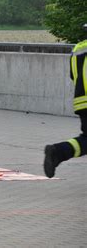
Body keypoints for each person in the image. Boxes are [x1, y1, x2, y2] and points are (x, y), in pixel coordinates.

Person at [44, 39, 87, 178]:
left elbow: (73, 75)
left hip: (81, 101)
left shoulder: (79, 47)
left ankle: (59, 152)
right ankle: (58, 152)